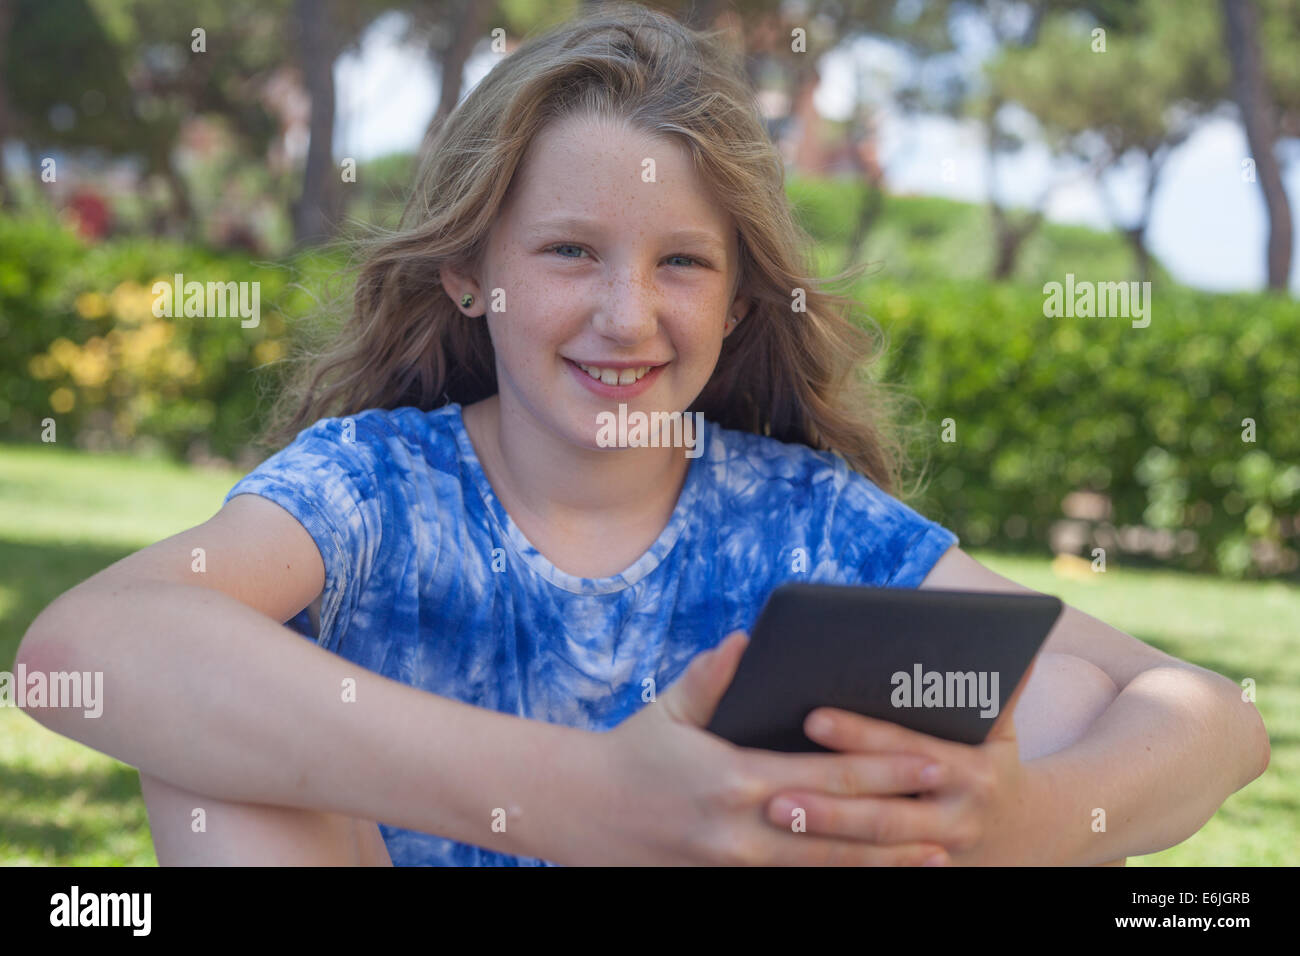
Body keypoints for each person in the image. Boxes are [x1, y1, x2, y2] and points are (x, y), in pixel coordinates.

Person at [18, 2, 1268, 867]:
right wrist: (603, 803)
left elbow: (1210, 711)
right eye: (569, 251)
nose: (629, 315)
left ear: (735, 297)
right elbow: (84, 647)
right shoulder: (370, 491)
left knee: (1050, 689)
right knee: (207, 716)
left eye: (682, 262)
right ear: (468, 270)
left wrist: (1015, 820)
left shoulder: (800, 518)